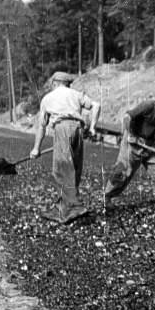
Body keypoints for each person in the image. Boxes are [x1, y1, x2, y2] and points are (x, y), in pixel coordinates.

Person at [30, 71, 101, 224]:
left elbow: (42, 126)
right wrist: (93, 127)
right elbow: (96, 105)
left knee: (61, 169)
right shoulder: (76, 94)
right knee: (73, 168)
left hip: (62, 129)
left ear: (54, 83)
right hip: (78, 130)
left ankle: (74, 206)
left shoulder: (48, 98)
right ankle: (63, 209)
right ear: (68, 84)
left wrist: (36, 148)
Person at [104, 86, 155, 208]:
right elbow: (127, 117)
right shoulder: (148, 105)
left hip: (148, 144)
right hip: (132, 142)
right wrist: (130, 134)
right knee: (124, 171)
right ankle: (107, 196)